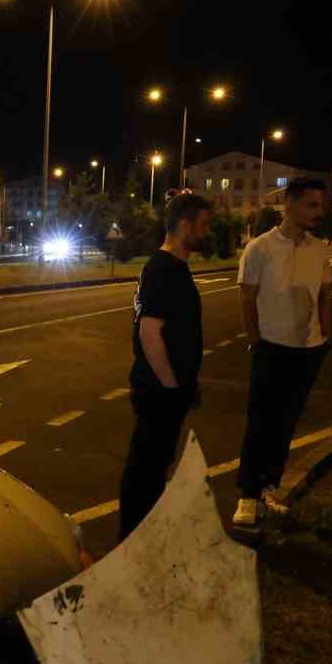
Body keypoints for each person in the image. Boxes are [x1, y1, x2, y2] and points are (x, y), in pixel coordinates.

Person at [232, 177, 332, 530]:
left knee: (286, 423)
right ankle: (247, 494)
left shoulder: (320, 249)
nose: (317, 212)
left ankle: (268, 489)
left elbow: (323, 296)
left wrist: (325, 337)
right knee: (260, 421)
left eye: (320, 206)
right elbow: (247, 298)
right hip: (271, 347)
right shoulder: (259, 248)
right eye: (311, 205)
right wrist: (256, 341)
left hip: (308, 349)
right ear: (288, 205)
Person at [117, 192, 212, 540]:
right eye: (203, 224)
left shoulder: (173, 268)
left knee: (153, 468)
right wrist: (173, 387)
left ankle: (143, 536)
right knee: (144, 472)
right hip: (159, 391)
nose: (207, 231)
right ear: (185, 225)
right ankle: (132, 540)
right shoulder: (163, 269)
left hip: (168, 389)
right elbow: (149, 332)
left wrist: (188, 384)